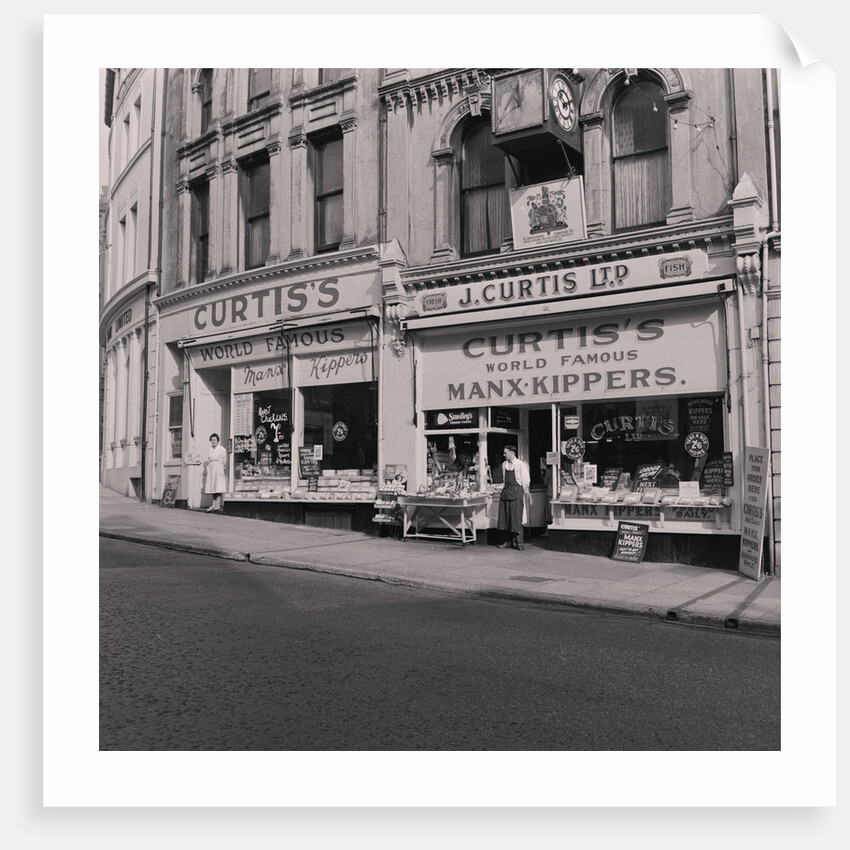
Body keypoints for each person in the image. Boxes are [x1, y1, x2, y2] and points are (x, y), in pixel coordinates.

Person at [497, 445, 531, 551]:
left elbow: (526, 481)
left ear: (512, 452)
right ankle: (507, 542)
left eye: (505, 452)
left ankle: (518, 542)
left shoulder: (521, 465)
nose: (504, 455)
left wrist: (520, 491)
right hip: (506, 493)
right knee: (505, 518)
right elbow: (504, 479)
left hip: (516, 494)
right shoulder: (504, 465)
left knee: (516, 518)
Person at [205, 433, 227, 513]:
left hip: (219, 468)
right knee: (212, 487)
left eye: (215, 440)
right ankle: (213, 504)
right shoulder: (210, 449)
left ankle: (218, 504)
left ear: (218, 441)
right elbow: (209, 459)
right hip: (211, 469)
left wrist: (222, 467)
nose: (213, 441)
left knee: (218, 486)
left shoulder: (222, 449)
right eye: (212, 440)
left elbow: (224, 461)